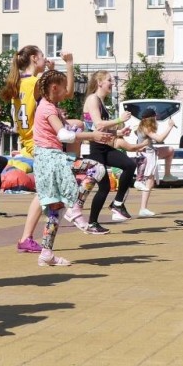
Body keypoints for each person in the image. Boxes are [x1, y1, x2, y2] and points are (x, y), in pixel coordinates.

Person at [1, 47, 92, 253]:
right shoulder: (34, 83)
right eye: (42, 56)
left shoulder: (19, 83)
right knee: (46, 192)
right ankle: (28, 236)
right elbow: (66, 93)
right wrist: (69, 64)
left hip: (28, 140)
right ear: (34, 58)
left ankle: (29, 238)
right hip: (40, 141)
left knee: (45, 191)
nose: (46, 58)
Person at [32, 70, 112, 266]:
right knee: (96, 169)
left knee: (55, 209)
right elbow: (64, 136)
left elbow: (68, 129)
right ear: (54, 88)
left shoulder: (49, 106)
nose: (66, 93)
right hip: (52, 159)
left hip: (48, 159)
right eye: (63, 89)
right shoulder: (48, 109)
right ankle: (75, 209)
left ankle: (46, 253)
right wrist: (92, 136)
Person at [83, 70, 137, 231]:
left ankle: (117, 203)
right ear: (99, 83)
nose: (112, 83)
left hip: (105, 147)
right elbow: (98, 125)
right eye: (109, 80)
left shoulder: (101, 101)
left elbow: (99, 128)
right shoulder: (93, 99)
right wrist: (120, 119)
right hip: (96, 150)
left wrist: (119, 132)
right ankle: (92, 222)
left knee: (129, 164)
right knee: (104, 187)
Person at [133, 108, 177, 217]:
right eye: (155, 117)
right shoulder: (146, 128)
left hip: (150, 152)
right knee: (149, 181)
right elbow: (160, 138)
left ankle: (167, 175)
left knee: (170, 150)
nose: (156, 119)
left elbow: (139, 138)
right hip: (148, 156)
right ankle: (143, 208)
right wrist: (170, 126)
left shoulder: (140, 127)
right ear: (152, 117)